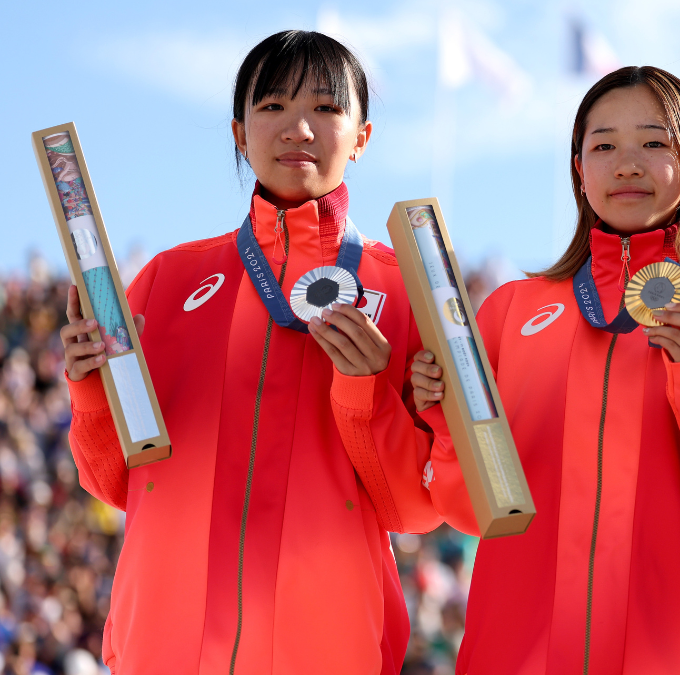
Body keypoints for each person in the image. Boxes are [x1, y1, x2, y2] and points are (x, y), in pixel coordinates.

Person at [59, 31, 440, 674]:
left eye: (325, 107)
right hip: (164, 642)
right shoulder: (168, 279)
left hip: (328, 645)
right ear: (239, 131)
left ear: (362, 136)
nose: (298, 128)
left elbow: (416, 505)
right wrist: (91, 387)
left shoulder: (406, 291)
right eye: (272, 107)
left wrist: (365, 393)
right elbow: (116, 480)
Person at [410, 66, 680, 674]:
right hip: (516, 653)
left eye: (653, 142)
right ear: (578, 167)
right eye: (603, 146)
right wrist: (442, 413)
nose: (626, 164)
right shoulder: (510, 311)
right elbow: (464, 507)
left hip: (676, 654)